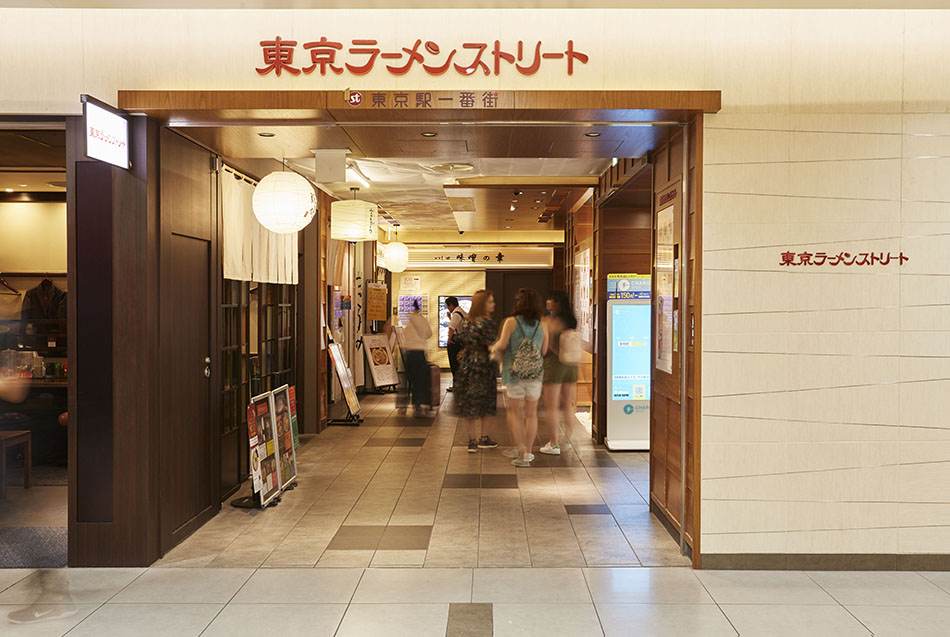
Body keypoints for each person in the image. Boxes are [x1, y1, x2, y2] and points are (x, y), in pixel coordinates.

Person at [494, 288, 548, 467]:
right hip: (535, 375)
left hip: (514, 374)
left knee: (514, 413)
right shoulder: (542, 325)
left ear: (518, 303)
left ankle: (520, 451)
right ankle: (528, 452)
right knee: (531, 414)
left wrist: (491, 349)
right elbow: (544, 351)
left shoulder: (511, 322)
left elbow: (501, 345)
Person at [454, 289, 499, 453]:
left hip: (467, 366)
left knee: (469, 403)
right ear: (483, 304)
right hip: (483, 366)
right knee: (486, 403)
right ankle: (484, 438)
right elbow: (491, 346)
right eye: (490, 301)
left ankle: (471, 441)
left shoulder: (466, 322)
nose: (493, 304)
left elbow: (459, 339)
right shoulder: (486, 323)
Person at [539, 290, 580, 455]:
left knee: (552, 407)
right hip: (571, 365)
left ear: (557, 303)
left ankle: (554, 444)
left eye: (551, 300)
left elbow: (545, 346)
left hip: (554, 365)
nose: (548, 302)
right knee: (568, 405)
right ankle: (569, 440)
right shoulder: (571, 321)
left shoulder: (548, 321)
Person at [402, 299, 433, 416]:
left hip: (409, 353)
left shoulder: (408, 321)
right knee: (419, 379)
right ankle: (418, 403)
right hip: (419, 352)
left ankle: (403, 404)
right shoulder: (422, 320)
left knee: (408, 379)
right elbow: (429, 334)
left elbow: (404, 336)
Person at [444, 296, 466, 392]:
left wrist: (449, 339)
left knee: (454, 363)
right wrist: (450, 318)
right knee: (459, 363)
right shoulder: (460, 312)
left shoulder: (456, 314)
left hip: (455, 341)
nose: (447, 308)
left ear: (452, 305)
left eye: (448, 306)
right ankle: (460, 384)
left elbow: (452, 328)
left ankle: (457, 385)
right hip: (461, 340)